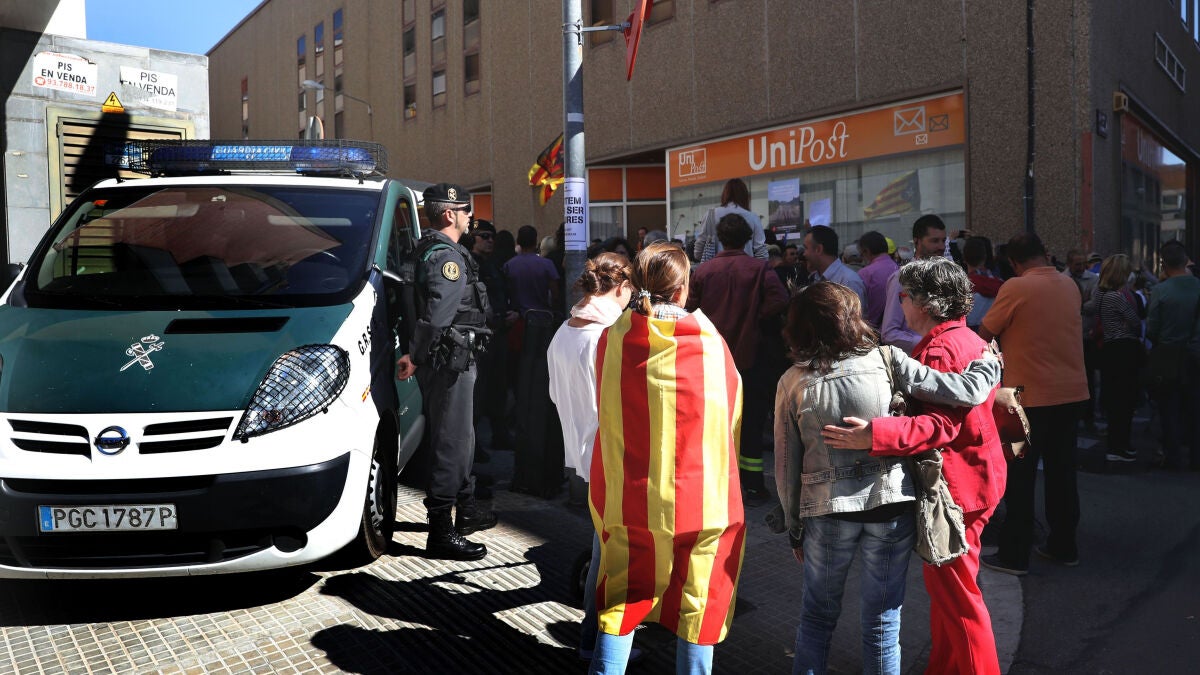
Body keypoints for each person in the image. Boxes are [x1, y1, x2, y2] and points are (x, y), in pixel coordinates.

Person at [777, 280, 1002, 675]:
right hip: (891, 505)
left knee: (816, 619)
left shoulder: (792, 381)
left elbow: (785, 465)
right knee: (882, 623)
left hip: (827, 511)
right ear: (852, 318)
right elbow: (961, 391)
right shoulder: (887, 358)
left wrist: (794, 527)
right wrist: (989, 365)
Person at [589, 242, 743, 674]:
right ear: (681, 289)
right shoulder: (711, 344)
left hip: (631, 497)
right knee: (699, 598)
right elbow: (730, 417)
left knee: (622, 599)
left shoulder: (613, 340)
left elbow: (606, 409)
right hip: (702, 498)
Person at [396, 183, 497, 561]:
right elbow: (438, 315)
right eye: (466, 210)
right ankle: (441, 530)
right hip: (448, 362)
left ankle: (465, 511)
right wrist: (418, 355)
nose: (470, 216)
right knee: (451, 443)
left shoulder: (434, 250)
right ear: (449, 214)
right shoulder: (445, 257)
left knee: (462, 439)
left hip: (450, 359)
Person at [980, 233, 1088, 574]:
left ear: (1013, 262)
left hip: (1022, 399)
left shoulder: (1016, 287)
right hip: (1070, 393)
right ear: (1045, 252)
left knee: (1019, 478)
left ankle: (1015, 554)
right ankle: (1064, 545)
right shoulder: (1070, 285)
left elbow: (985, 333)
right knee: (1062, 473)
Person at [547, 253, 635, 660]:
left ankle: (593, 639)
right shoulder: (607, 337)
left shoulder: (562, 332)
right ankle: (596, 643)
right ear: (621, 287)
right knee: (610, 553)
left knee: (604, 546)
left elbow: (555, 395)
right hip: (611, 456)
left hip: (583, 454)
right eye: (630, 292)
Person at [688, 214, 789, 505]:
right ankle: (754, 487)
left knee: (714, 423)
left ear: (720, 238)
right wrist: (755, 317)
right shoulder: (759, 268)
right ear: (748, 239)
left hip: (711, 358)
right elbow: (780, 300)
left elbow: (690, 309)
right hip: (752, 357)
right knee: (752, 423)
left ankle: (718, 486)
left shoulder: (704, 271)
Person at [1147, 241, 1200, 470]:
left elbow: (1152, 328)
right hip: (1195, 353)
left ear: (1164, 264)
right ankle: (1196, 457)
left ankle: (1173, 456)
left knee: (1168, 407)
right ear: (1185, 260)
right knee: (1195, 407)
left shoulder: (1161, 290)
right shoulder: (1197, 286)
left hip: (1168, 353)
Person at [469, 219, 517, 454]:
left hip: (498, 336)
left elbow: (503, 295)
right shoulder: (469, 265)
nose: (490, 241)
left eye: (492, 237)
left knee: (498, 388)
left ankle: (500, 435)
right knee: (477, 393)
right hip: (480, 337)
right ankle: (473, 445)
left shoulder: (494, 265)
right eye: (484, 236)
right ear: (473, 239)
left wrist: (512, 313)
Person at [1094, 254, 1143, 463]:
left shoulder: (1100, 294)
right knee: (1125, 398)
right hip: (1124, 348)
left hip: (1109, 348)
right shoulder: (1117, 297)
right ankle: (1120, 446)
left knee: (1115, 399)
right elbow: (1135, 321)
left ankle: (1117, 444)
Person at [881, 215, 947, 353]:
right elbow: (889, 333)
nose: (941, 246)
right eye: (935, 241)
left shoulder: (945, 274)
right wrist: (931, 343)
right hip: (918, 360)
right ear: (917, 241)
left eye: (943, 240)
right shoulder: (902, 278)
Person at [1064, 249, 1101, 429]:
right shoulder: (1062, 279)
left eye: (1083, 264)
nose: (1081, 267)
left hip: (1086, 335)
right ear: (1069, 264)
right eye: (1077, 264)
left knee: (1088, 378)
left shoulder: (1093, 279)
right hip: (1066, 337)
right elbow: (1061, 306)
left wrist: (1076, 304)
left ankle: (1088, 416)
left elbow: (1094, 304)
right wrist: (1081, 302)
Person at [692, 178, 767, 262]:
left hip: (716, 267)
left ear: (725, 195)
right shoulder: (753, 217)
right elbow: (761, 252)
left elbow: (698, 251)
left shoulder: (710, 215)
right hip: (746, 268)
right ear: (745, 196)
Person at [803, 226, 866, 308]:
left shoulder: (849, 282)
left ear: (818, 249)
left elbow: (856, 315)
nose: (804, 254)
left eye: (806, 248)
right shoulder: (814, 278)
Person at [857, 230, 899, 329]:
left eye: (861, 254)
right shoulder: (900, 269)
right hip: (898, 330)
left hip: (872, 331)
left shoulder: (865, 273)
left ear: (866, 251)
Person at [964, 236, 1002, 332]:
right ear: (985, 257)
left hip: (970, 334)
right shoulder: (1002, 284)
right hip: (995, 333)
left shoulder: (963, 287)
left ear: (964, 258)